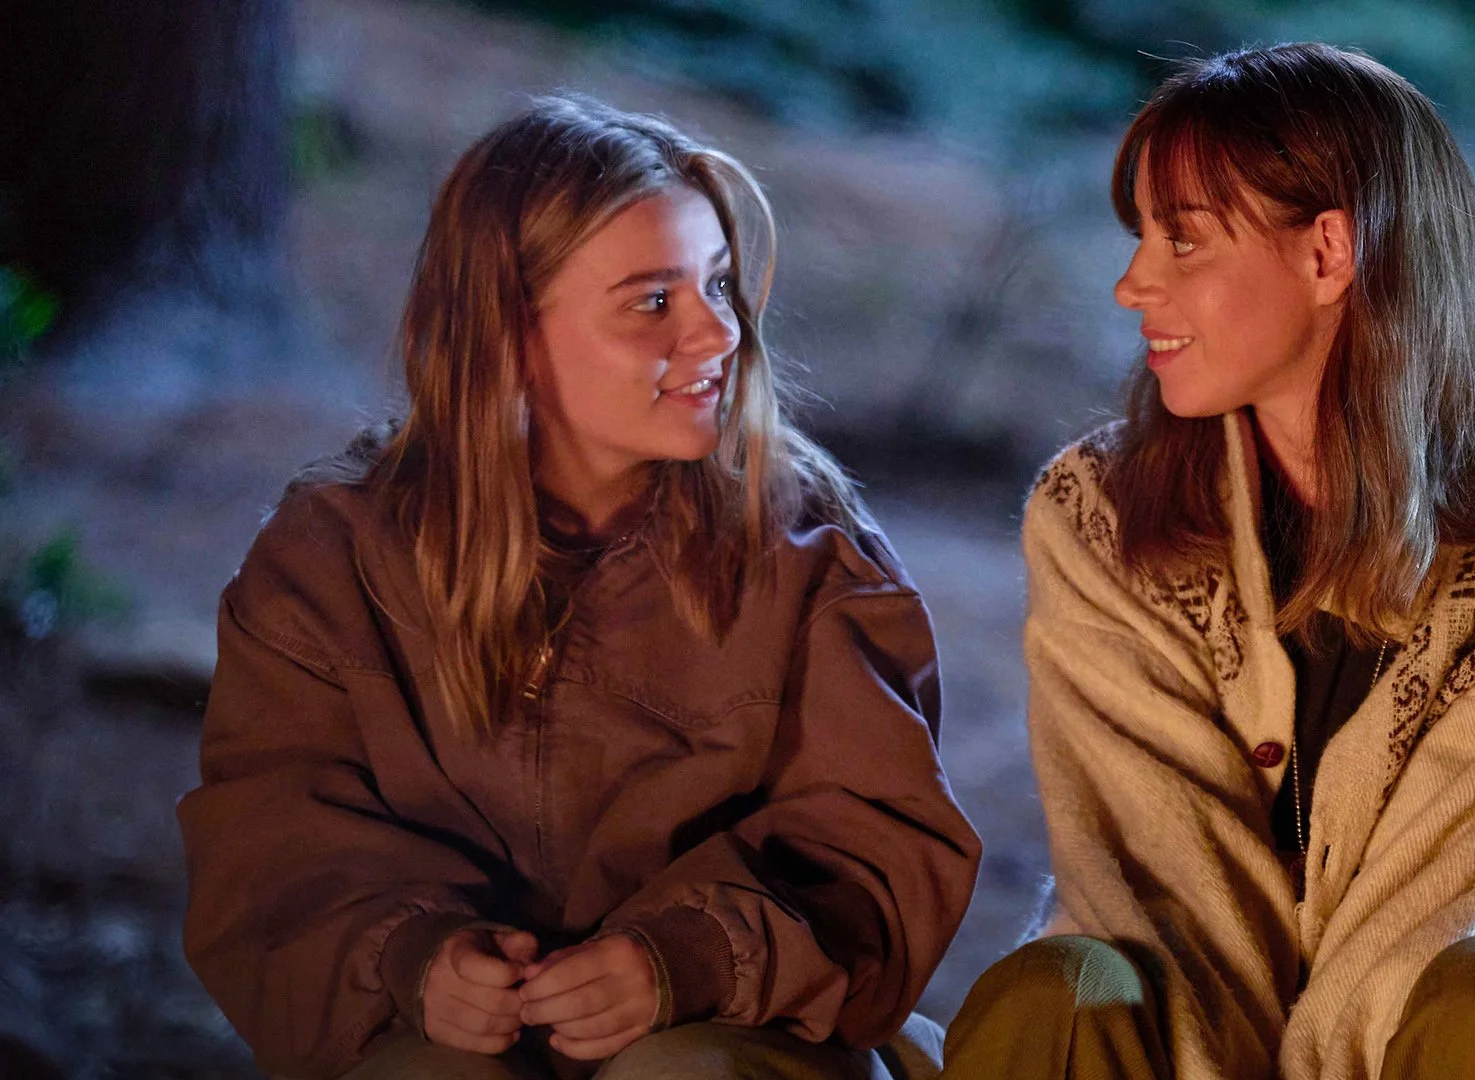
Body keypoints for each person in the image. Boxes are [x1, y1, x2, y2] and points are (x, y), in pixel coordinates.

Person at [938, 43, 1475, 1080]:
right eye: (1140, 238)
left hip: (1434, 1024)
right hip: (1186, 1029)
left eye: (1182, 240)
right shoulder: (1096, 516)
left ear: (1329, 253)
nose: (1132, 284)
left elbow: (1437, 912)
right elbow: (1161, 897)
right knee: (1059, 993)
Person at [177, 96, 981, 1080]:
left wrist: (690, 960)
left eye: (717, 284)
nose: (719, 334)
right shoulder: (335, 559)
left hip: (735, 1037)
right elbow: (268, 840)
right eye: (653, 302)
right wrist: (411, 959)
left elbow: (877, 847)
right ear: (510, 334)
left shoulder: (807, 554)